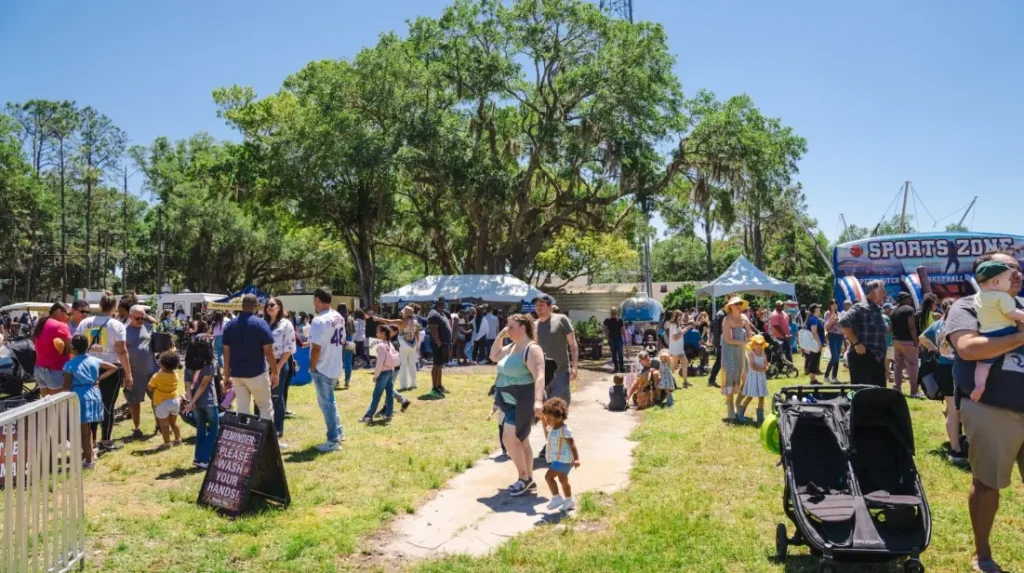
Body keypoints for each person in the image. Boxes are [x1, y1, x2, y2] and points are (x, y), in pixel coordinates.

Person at [944, 249, 1024, 573]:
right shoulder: (966, 306)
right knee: (988, 484)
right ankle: (983, 554)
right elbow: (968, 347)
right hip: (992, 408)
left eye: (1019, 269)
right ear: (987, 277)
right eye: (1009, 269)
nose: (1017, 274)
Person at [490, 314, 546, 497]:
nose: (508, 330)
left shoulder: (532, 349)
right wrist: (500, 337)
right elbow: (494, 356)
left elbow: (540, 375)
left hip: (524, 400)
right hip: (509, 400)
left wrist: (538, 401)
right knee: (522, 440)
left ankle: (523, 478)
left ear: (523, 328)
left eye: (511, 327)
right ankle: (528, 478)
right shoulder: (512, 346)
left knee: (508, 438)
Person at [75, 292, 131, 453]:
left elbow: (76, 345)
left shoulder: (85, 323)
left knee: (91, 405)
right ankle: (105, 440)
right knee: (108, 406)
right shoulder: (117, 325)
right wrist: (128, 373)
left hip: (88, 367)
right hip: (111, 368)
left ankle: (90, 442)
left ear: (100, 305)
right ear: (114, 307)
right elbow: (121, 350)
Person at [968, 260, 1024, 402]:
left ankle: (979, 386)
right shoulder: (1002, 296)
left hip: (987, 334)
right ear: (998, 282)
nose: (1011, 282)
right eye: (1009, 280)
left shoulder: (978, 297)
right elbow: (1011, 313)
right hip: (1007, 330)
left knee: (983, 365)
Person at [918, 299, 966, 464]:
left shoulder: (938, 324)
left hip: (942, 369)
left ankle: (956, 440)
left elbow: (922, 337)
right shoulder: (958, 324)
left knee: (952, 408)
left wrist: (932, 348)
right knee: (955, 409)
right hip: (955, 369)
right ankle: (956, 450)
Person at [222, 294, 278, 422]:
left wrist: (226, 376)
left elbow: (226, 353)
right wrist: (275, 372)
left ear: (241, 306)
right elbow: (269, 352)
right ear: (256, 307)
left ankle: (245, 439)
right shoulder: (261, 324)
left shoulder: (230, 325)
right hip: (256, 373)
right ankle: (267, 441)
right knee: (265, 407)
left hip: (237, 374)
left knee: (242, 409)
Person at [62, 334, 115, 469]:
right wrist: (99, 379)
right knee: (89, 430)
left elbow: (66, 387)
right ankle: (90, 455)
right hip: (95, 396)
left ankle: (89, 461)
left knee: (83, 433)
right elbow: (113, 367)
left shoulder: (69, 365)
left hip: (80, 398)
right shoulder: (94, 360)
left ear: (72, 348)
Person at [308, 287, 346, 452]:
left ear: (317, 300)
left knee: (327, 405)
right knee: (331, 401)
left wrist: (312, 366)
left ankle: (333, 440)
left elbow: (316, 348)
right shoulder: (338, 316)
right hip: (335, 364)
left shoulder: (319, 320)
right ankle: (338, 432)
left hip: (323, 367)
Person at [840, 280, 889, 387]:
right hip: (862, 357)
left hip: (877, 358)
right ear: (874, 292)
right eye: (882, 290)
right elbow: (844, 321)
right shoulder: (861, 307)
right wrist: (856, 343)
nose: (884, 293)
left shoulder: (876, 309)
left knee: (879, 393)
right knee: (862, 394)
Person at [182, 322, 218, 468]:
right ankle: (204, 458)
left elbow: (187, 385)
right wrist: (193, 400)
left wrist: (191, 401)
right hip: (208, 400)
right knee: (214, 428)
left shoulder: (189, 364)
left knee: (201, 429)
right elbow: (204, 385)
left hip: (195, 403)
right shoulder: (210, 364)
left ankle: (198, 458)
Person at [534, 295, 578, 406]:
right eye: (537, 305)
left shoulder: (561, 319)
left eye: (542, 305)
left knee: (556, 406)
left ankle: (559, 424)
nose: (538, 307)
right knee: (543, 408)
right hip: (541, 375)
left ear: (549, 306)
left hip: (560, 373)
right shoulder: (534, 326)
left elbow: (572, 344)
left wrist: (575, 366)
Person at [265, 297, 296, 446]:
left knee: (277, 397)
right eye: (267, 305)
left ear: (279, 307)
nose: (269, 307)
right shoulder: (262, 323)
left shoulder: (286, 324)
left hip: (279, 363)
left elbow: (289, 349)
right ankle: (263, 427)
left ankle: (277, 429)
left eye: (272, 305)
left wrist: (276, 369)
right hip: (262, 365)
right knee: (262, 398)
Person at [125, 305, 158, 439]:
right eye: (137, 318)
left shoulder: (149, 327)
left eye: (142, 317)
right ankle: (137, 428)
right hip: (134, 373)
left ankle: (159, 424)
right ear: (130, 317)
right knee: (134, 403)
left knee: (157, 400)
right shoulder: (123, 331)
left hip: (151, 371)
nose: (140, 320)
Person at [541, 397, 580, 512]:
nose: (547, 420)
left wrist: (577, 459)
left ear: (559, 417)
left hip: (564, 459)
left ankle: (556, 497)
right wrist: (543, 419)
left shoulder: (565, 430)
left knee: (548, 477)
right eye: (545, 417)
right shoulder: (553, 427)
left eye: (549, 418)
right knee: (563, 479)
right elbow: (546, 430)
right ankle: (568, 501)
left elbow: (573, 445)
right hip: (559, 459)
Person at [359, 324, 400, 424]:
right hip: (391, 370)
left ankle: (368, 416)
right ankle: (388, 414)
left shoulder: (381, 346)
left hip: (383, 372)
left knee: (376, 395)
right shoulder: (390, 344)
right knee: (389, 393)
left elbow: (379, 363)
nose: (377, 333)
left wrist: (376, 375)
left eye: (378, 332)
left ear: (383, 333)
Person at [722, 297, 754, 422]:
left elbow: (750, 336)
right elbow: (728, 340)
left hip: (742, 351)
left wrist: (755, 344)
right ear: (730, 306)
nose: (738, 306)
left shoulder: (744, 318)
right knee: (730, 379)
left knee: (747, 381)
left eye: (740, 304)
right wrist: (743, 342)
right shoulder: (727, 320)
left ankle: (738, 403)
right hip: (730, 352)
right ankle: (730, 409)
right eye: (736, 304)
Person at [32, 302, 73, 398]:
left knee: (46, 406)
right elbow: (70, 349)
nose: (69, 317)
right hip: (55, 370)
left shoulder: (42, 323)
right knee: (59, 406)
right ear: (58, 311)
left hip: (39, 369)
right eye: (68, 314)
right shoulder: (60, 326)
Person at [890, 291, 922, 397]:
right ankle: (914, 391)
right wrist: (916, 341)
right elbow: (912, 327)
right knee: (912, 366)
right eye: (909, 298)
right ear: (906, 299)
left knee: (898, 366)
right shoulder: (909, 310)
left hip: (896, 341)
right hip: (908, 341)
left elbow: (891, 328)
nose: (910, 300)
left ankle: (897, 388)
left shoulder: (893, 311)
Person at [148, 350, 182, 449]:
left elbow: (150, 387)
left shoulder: (157, 376)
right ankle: (178, 439)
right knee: (174, 423)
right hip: (175, 401)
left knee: (164, 425)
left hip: (161, 403)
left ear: (162, 364)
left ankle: (167, 443)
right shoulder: (175, 375)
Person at [737, 334, 770, 426]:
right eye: (756, 344)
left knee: (761, 397)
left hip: (761, 377)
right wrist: (762, 369)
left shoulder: (763, 353)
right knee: (750, 396)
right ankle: (740, 413)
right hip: (754, 377)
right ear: (753, 345)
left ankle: (760, 418)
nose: (759, 347)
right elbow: (752, 366)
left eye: (760, 345)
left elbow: (766, 363)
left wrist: (766, 367)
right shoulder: (751, 353)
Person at [427, 297, 453, 398]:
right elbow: (434, 330)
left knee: (440, 365)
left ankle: (439, 386)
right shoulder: (433, 314)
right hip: (438, 344)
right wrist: (438, 341)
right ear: (438, 304)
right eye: (443, 303)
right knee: (436, 365)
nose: (444, 305)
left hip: (444, 344)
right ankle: (434, 388)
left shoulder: (442, 313)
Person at [666, 310, 692, 389]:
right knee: (673, 367)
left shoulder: (676, 324)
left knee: (685, 363)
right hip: (675, 349)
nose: (683, 317)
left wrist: (684, 329)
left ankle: (685, 382)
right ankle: (669, 383)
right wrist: (685, 330)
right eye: (682, 316)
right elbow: (675, 337)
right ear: (679, 316)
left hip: (679, 349)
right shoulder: (675, 325)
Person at [822, 300, 844, 382]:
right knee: (834, 356)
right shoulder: (827, 313)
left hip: (840, 336)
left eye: (836, 305)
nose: (835, 306)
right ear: (830, 305)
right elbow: (826, 327)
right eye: (833, 305)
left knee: (837, 357)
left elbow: (842, 326)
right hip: (832, 335)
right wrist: (832, 318)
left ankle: (834, 377)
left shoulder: (840, 314)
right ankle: (826, 376)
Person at [803, 304, 825, 384]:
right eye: (818, 307)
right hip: (815, 344)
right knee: (814, 361)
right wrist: (819, 343)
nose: (820, 308)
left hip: (815, 344)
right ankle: (812, 380)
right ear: (815, 310)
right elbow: (814, 332)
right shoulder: (813, 319)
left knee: (815, 360)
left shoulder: (814, 318)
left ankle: (813, 379)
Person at [707, 305, 726, 388]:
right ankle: (711, 380)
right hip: (720, 341)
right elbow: (720, 329)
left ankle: (712, 380)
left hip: (718, 340)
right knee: (719, 361)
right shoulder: (722, 315)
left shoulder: (719, 313)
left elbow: (712, 327)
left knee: (719, 360)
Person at [486, 385, 508, 457]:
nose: (493, 396)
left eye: (494, 394)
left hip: (510, 420)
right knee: (502, 434)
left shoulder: (508, 397)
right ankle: (504, 450)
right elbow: (494, 408)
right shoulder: (497, 400)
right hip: (501, 421)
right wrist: (490, 415)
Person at [603, 308, 626, 373]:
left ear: (616, 312)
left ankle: (621, 368)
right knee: (613, 354)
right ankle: (616, 367)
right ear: (610, 312)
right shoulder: (607, 320)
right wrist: (607, 338)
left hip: (619, 338)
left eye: (614, 311)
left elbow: (623, 329)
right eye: (612, 311)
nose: (613, 312)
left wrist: (625, 338)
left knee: (620, 353)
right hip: (612, 338)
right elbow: (605, 330)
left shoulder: (620, 320)